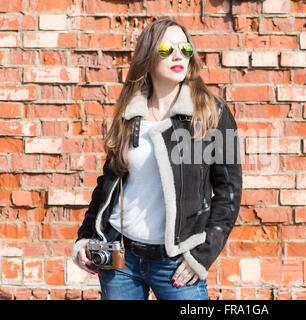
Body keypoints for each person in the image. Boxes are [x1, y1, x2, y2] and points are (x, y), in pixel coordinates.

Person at [71, 18, 242, 300]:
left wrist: (202, 254)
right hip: (121, 260)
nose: (178, 56)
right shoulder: (131, 112)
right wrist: (85, 238)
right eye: (166, 49)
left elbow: (229, 193)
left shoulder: (212, 113)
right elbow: (109, 183)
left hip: (175, 262)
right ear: (148, 57)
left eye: (185, 48)